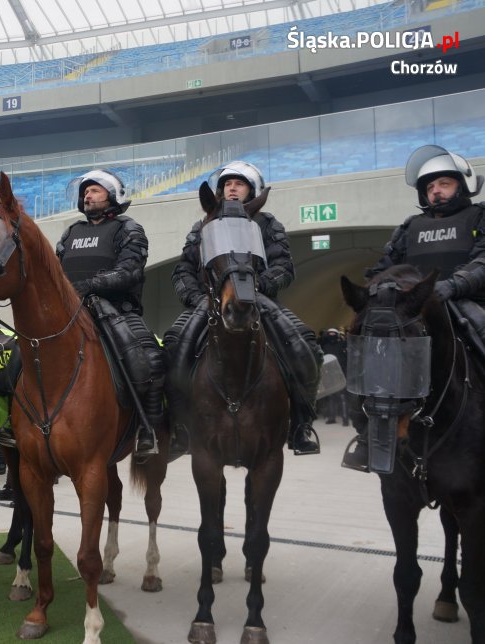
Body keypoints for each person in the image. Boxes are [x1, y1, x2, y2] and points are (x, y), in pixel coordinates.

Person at [342, 144, 485, 470]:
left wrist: (453, 285)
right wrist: (376, 289)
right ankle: (367, 433)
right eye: (430, 187)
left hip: (465, 300)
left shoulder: (480, 216)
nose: (436, 191)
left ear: (462, 185)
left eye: (444, 183)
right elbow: (385, 265)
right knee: (368, 353)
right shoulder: (409, 227)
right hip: (414, 308)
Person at [166, 160, 322, 455]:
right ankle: (180, 428)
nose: (232, 188)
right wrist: (197, 298)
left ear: (253, 190)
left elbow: (283, 266)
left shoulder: (267, 224)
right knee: (174, 347)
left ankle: (302, 424)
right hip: (210, 301)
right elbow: (184, 269)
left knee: (305, 345)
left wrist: (257, 286)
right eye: (227, 184)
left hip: (257, 298)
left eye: (239, 183)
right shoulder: (203, 225)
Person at [55, 169, 166, 460]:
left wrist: (88, 286)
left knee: (151, 359)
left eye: (95, 190)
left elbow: (130, 271)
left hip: (117, 311)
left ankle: (148, 429)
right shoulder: (71, 232)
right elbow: (55, 272)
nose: (87, 195)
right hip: (70, 313)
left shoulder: (128, 229)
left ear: (113, 196)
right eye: (85, 192)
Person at [317, 328, 349, 426]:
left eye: (333, 333)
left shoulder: (342, 344)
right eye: (330, 333)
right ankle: (332, 417)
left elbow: (345, 359)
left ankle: (345, 418)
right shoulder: (324, 346)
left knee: (342, 396)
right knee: (331, 396)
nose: (331, 335)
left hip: (340, 373)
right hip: (329, 373)